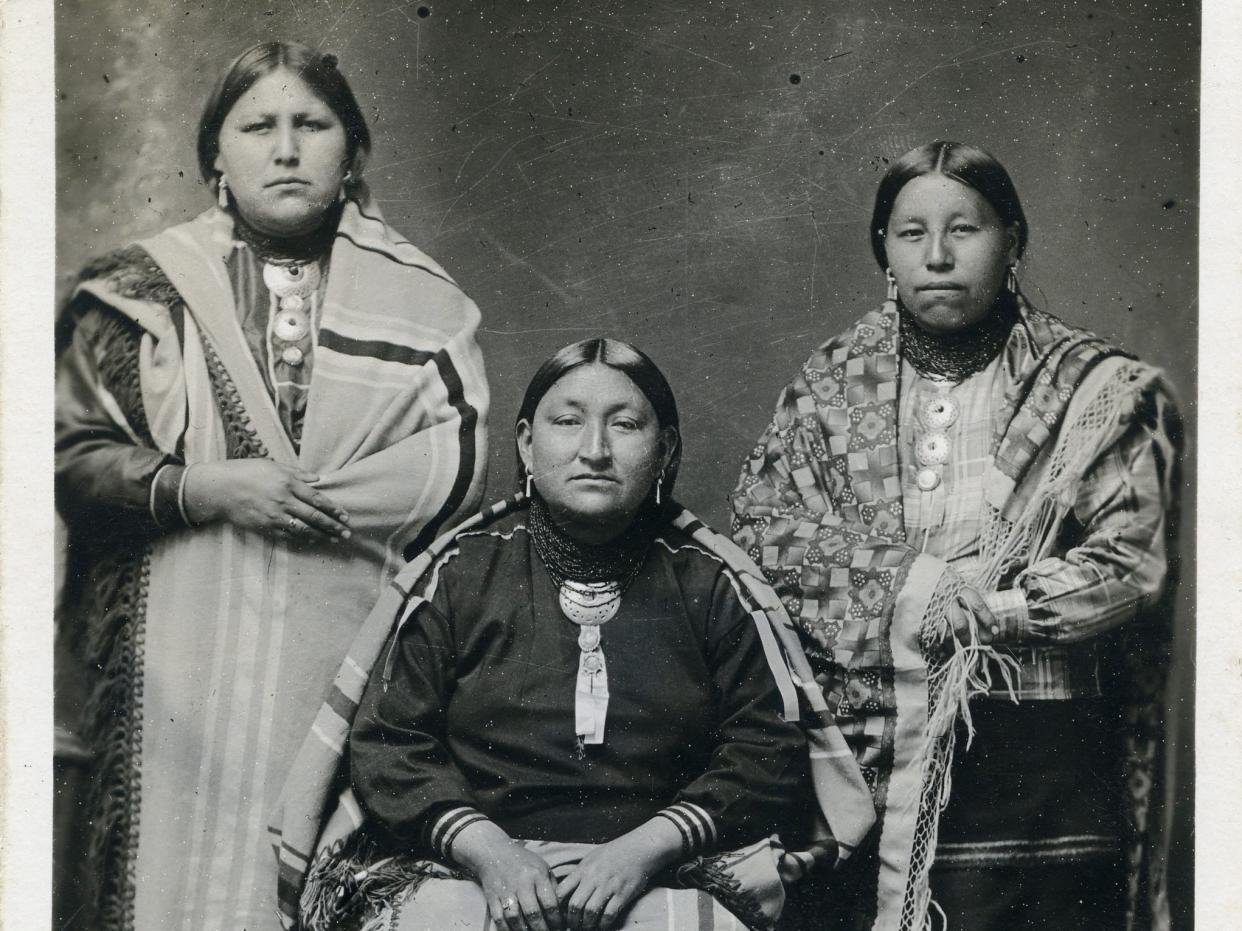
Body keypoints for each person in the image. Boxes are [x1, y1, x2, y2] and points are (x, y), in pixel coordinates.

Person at [54, 41, 489, 930]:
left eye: (311, 124)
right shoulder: (138, 293)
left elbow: (459, 472)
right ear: (217, 155)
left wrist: (304, 498)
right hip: (168, 661)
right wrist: (201, 487)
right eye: (258, 126)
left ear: (352, 152)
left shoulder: (428, 308)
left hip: (345, 658)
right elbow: (60, 457)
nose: (285, 149)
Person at [268, 339, 877, 931]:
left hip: (665, 869)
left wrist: (641, 852)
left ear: (664, 451)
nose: (594, 450)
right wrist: (492, 855)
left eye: (625, 426)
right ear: (528, 445)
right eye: (567, 422)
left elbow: (764, 753)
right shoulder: (461, 574)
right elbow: (390, 743)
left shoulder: (711, 583)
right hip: (465, 868)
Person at [731, 141, 1179, 931]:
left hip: (1038, 752)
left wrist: (991, 612)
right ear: (884, 251)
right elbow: (766, 534)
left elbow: (1130, 564)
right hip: (866, 748)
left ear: (1013, 242)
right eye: (911, 234)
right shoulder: (829, 388)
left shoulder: (1092, 388)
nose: (937, 256)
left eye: (963, 229)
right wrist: (919, 589)